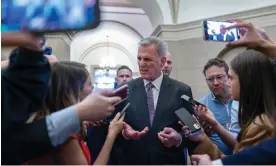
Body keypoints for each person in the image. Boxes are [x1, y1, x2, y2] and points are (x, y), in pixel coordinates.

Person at [1, 32, 122, 164]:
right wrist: (111, 134)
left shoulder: (37, 121)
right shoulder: (66, 137)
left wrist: (81, 118)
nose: (93, 87)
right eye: (89, 83)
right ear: (73, 89)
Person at [110, 36, 218, 165]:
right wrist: (125, 133)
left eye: (147, 59)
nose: (141, 63)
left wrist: (179, 139)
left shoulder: (181, 91)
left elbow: (194, 129)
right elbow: (110, 128)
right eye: (139, 58)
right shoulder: (125, 90)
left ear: (162, 62)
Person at [191, 19, 276, 165]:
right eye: (211, 79)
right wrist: (203, 139)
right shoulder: (256, 119)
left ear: (246, 81)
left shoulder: (262, 127)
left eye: (228, 77)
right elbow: (240, 157)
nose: (226, 83)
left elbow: (244, 161)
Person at [199, 58, 240, 154]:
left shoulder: (241, 100)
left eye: (219, 77)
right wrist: (204, 133)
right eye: (210, 79)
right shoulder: (202, 106)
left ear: (228, 77)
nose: (215, 83)